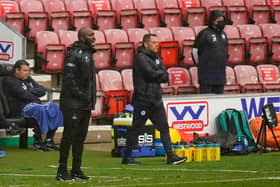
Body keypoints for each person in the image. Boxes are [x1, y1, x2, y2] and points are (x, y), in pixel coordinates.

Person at [122, 34, 186, 165]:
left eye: (158, 42)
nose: (157, 44)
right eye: (154, 42)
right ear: (146, 44)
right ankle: (127, 157)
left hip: (156, 99)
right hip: (143, 100)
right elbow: (150, 74)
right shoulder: (140, 58)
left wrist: (159, 73)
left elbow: (165, 76)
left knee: (164, 128)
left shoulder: (156, 58)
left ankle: (170, 156)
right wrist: (160, 73)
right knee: (136, 128)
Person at [56, 27, 96, 181]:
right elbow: (69, 79)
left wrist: (88, 98)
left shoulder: (88, 53)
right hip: (72, 103)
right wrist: (82, 95)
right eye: (90, 35)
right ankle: (61, 170)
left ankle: (76, 169)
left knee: (80, 137)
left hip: (84, 103)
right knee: (69, 136)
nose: (94, 37)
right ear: (82, 37)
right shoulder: (74, 54)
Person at [4, 60, 60, 151]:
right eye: (24, 71)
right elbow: (22, 94)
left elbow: (42, 90)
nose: (27, 73)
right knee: (38, 109)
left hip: (33, 106)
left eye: (28, 71)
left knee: (55, 108)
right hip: (19, 109)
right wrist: (33, 92)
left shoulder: (28, 79)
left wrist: (30, 91)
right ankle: (37, 142)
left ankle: (49, 140)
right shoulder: (9, 80)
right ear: (17, 71)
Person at [191, 10, 228, 94]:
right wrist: (201, 64)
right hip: (207, 76)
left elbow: (225, 51)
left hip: (220, 75)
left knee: (219, 102)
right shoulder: (204, 34)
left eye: (223, 19)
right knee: (207, 100)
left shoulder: (224, 35)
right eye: (219, 19)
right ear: (213, 20)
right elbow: (194, 51)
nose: (221, 22)